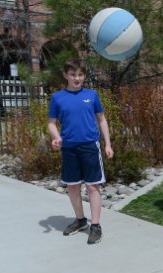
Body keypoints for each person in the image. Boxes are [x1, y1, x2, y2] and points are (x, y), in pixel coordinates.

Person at [47, 58, 114, 245]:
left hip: (90, 147)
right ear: (65, 75)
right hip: (69, 148)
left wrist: (107, 144)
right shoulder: (57, 98)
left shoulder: (92, 95)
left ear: (84, 76)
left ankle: (95, 225)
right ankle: (80, 220)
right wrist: (56, 137)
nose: (77, 78)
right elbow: (51, 123)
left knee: (93, 186)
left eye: (80, 75)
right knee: (72, 186)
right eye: (73, 74)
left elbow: (102, 120)